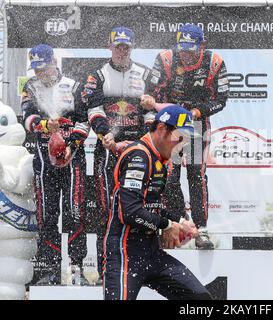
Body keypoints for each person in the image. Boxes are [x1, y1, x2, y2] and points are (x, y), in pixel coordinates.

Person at [103, 105, 212, 300]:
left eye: (185, 141)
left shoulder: (159, 159)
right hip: (125, 253)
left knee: (200, 298)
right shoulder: (139, 156)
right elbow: (130, 212)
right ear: (161, 129)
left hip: (151, 252)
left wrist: (180, 220)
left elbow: (151, 205)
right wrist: (168, 226)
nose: (181, 146)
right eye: (179, 139)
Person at [144, 24, 229, 249]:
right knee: (169, 177)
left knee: (196, 175)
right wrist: (154, 107)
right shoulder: (164, 59)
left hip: (196, 125)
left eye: (190, 51)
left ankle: (202, 230)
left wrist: (196, 112)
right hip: (171, 126)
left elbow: (221, 99)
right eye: (182, 49)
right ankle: (182, 223)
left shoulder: (215, 62)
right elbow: (151, 92)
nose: (185, 55)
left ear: (202, 46)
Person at [80, 26, 156, 278]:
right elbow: (92, 108)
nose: (121, 51)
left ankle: (141, 265)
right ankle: (107, 267)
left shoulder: (145, 73)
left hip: (138, 149)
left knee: (139, 204)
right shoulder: (97, 75)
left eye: (126, 47)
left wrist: (144, 142)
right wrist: (105, 134)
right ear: (109, 46)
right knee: (108, 206)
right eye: (117, 46)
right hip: (109, 148)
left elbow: (152, 113)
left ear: (131, 48)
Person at [21, 44, 89, 285]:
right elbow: (27, 118)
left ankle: (76, 268)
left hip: (72, 160)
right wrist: (42, 125)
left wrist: (72, 145)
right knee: (47, 217)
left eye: (44, 67)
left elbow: (84, 122)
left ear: (54, 63)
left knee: (75, 213)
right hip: (43, 162)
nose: (40, 73)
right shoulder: (30, 86)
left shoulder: (73, 86)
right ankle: (51, 270)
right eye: (36, 69)